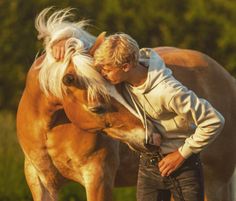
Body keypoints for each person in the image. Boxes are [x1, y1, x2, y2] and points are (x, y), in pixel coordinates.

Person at [52, 33, 225, 201]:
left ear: (126, 66)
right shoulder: (121, 84)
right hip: (148, 166)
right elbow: (87, 53)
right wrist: (62, 41)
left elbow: (214, 120)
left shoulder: (169, 92)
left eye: (106, 69)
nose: (102, 75)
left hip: (182, 168)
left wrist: (181, 154)